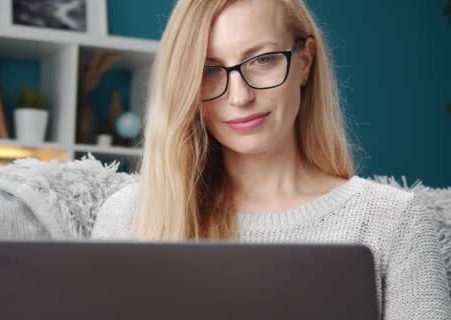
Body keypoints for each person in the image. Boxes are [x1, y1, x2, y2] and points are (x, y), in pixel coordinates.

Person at [90, 0, 451, 318]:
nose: (240, 95)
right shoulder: (127, 217)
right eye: (209, 70)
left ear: (305, 61)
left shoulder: (394, 222)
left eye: (263, 60)